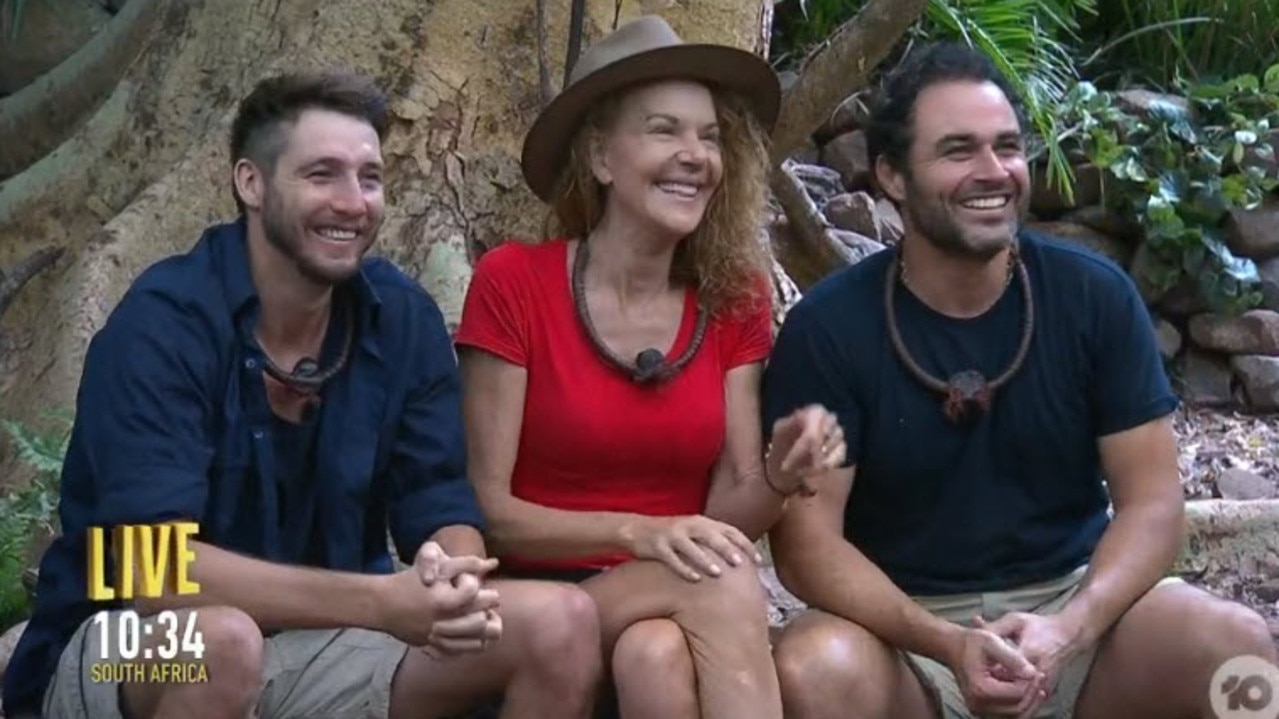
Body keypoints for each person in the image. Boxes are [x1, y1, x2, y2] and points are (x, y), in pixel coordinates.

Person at [3, 71, 604, 719]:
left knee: (559, 621)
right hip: (123, 641)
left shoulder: (399, 318)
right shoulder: (162, 323)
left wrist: (452, 578)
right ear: (250, 183)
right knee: (221, 640)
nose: (353, 202)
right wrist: (380, 602)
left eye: (368, 178)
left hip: (324, 641)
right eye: (322, 174)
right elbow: (153, 575)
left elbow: (440, 503)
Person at [762, 41, 1279, 719]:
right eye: (957, 150)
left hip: (1076, 612)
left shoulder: (1092, 296)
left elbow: (1152, 503)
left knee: (1239, 653)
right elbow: (806, 545)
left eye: (1005, 146)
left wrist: (1072, 626)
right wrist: (948, 644)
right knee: (809, 669)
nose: (993, 171)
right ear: (890, 174)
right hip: (903, 633)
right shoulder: (829, 329)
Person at [453, 15, 844, 719]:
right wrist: (641, 531)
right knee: (720, 578)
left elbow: (730, 507)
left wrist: (781, 477)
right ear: (601, 158)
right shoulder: (514, 281)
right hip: (536, 607)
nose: (695, 154)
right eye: (664, 130)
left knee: (655, 656)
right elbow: (489, 512)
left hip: (668, 596)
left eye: (710, 136)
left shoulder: (734, 296)